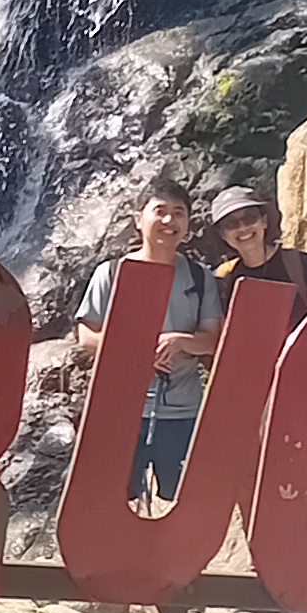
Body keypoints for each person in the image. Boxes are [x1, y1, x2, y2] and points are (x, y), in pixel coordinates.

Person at [74, 178, 220, 501]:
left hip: (183, 411)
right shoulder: (112, 273)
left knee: (182, 500)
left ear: (188, 224)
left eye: (178, 213)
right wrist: (135, 350)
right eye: (160, 211)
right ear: (138, 219)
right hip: (121, 408)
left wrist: (181, 341)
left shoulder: (200, 278)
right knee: (114, 500)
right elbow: (86, 336)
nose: (169, 220)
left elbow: (212, 341)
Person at [208, 183, 307, 310]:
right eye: (231, 223)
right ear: (222, 234)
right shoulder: (224, 281)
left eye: (250, 217)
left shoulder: (303, 265)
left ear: (264, 221)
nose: (242, 227)